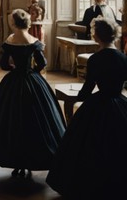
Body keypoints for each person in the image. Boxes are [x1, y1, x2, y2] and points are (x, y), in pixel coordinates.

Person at [0, 9, 65, 179]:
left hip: (14, 81)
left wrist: (13, 69)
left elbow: (3, 64)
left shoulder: (10, 41)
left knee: (11, 120)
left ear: (13, 23)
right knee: (36, 120)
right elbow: (43, 62)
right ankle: (33, 157)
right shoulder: (33, 41)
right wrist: (33, 72)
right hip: (32, 80)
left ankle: (16, 161)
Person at [47, 17, 127, 196]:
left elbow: (87, 90)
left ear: (97, 36)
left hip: (98, 105)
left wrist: (76, 96)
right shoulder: (124, 58)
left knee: (86, 147)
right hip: (120, 104)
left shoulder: (96, 59)